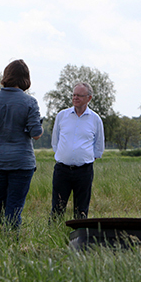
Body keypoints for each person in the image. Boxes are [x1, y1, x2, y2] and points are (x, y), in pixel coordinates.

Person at [0, 59, 43, 234]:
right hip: (21, 162)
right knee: (14, 206)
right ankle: (10, 241)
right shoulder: (30, 102)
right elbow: (36, 133)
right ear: (25, 78)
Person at [50, 82, 105, 220]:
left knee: (81, 209)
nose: (75, 98)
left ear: (89, 98)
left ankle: (80, 237)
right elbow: (55, 141)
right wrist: (63, 155)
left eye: (79, 95)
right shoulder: (62, 116)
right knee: (57, 207)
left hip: (84, 171)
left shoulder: (95, 119)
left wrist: (84, 158)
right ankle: (54, 235)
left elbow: (98, 145)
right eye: (74, 95)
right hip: (62, 170)